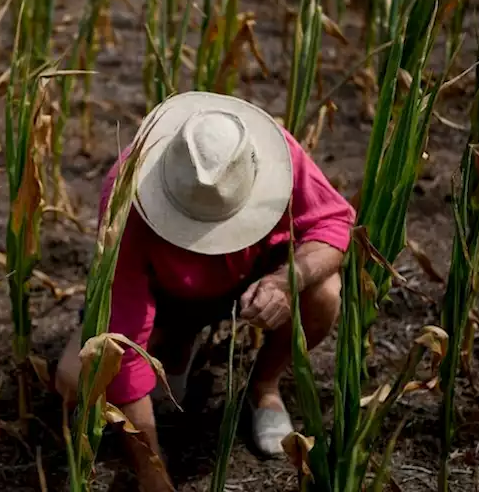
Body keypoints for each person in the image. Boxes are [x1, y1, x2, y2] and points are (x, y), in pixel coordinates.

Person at [55, 91, 355, 491]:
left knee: (325, 293)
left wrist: (286, 281)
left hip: (252, 281)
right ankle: (176, 345)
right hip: (167, 298)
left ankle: (263, 388)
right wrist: (152, 468)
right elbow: (121, 341)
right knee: (74, 380)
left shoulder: (274, 152)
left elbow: (333, 222)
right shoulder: (128, 196)